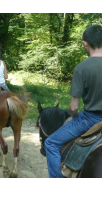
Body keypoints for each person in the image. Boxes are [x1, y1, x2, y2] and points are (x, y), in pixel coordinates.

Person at [44, 24, 102, 178]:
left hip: (90, 120)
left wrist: (74, 115)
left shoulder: (81, 68)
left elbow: (73, 107)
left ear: (85, 43)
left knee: (50, 143)